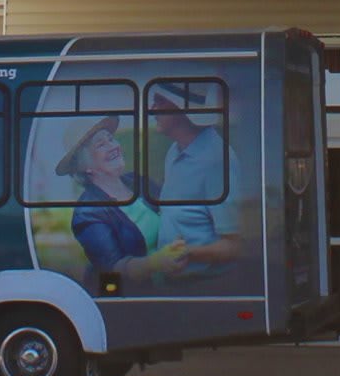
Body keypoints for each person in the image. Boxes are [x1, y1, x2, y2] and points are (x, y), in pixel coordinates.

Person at [145, 104, 251, 274]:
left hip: (208, 286)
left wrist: (186, 253)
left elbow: (234, 246)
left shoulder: (217, 160)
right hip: (176, 284)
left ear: (181, 110)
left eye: (160, 101)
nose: (152, 108)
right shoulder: (174, 151)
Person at [55, 119, 148, 291]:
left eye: (111, 139)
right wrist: (157, 263)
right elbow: (113, 267)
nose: (112, 146)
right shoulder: (87, 212)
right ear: (86, 165)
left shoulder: (139, 181)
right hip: (132, 297)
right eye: (100, 144)